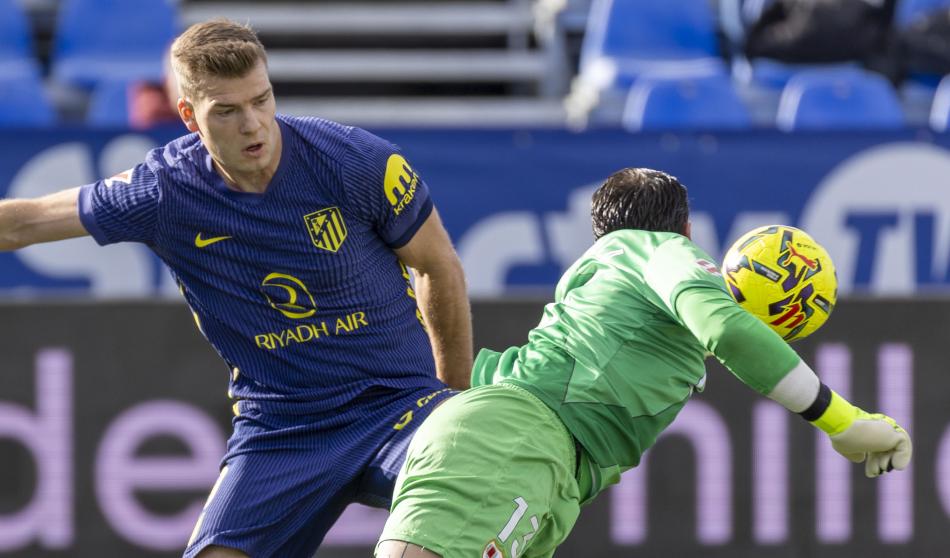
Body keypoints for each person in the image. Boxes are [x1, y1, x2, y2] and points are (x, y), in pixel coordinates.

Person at [0, 18, 472, 558]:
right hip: (283, 430)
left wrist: (452, 402)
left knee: (462, 482)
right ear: (188, 117)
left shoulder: (356, 161)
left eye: (261, 100)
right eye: (227, 111)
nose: (253, 125)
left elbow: (438, 265)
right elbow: (25, 222)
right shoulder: (164, 192)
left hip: (400, 407)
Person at [375, 168, 912, 558]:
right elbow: (726, 328)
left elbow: (473, 386)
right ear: (685, 230)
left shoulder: (617, 305)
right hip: (518, 444)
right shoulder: (655, 249)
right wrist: (843, 420)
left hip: (546, 473)